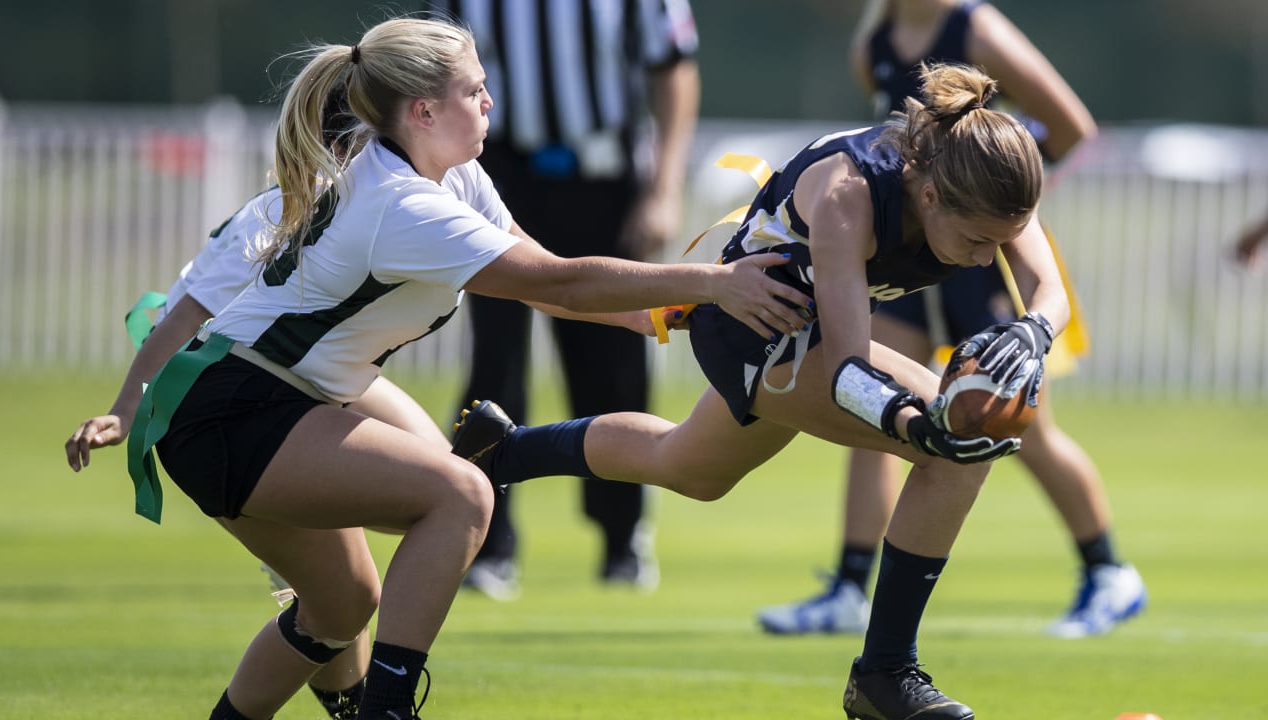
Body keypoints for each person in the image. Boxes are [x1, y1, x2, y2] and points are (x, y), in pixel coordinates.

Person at [119, 17, 810, 720]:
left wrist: (673, 308)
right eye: (475, 90)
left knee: (342, 606)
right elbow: (561, 281)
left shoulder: (450, 176)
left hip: (259, 404)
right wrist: (714, 283)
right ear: (423, 111)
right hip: (234, 410)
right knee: (460, 496)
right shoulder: (403, 204)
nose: (489, 103)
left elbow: (558, 284)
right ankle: (388, 710)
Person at [453, 61, 1068, 720]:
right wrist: (913, 425)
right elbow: (849, 371)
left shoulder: (987, 169)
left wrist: (1033, 331)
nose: (985, 259)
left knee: (688, 467)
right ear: (928, 198)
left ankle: (504, 451)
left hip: (809, 337)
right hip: (752, 325)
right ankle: (885, 673)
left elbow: (1050, 292)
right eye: (977, 242)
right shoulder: (848, 197)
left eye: (996, 242)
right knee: (952, 448)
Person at [756, 0, 1146, 641]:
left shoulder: (975, 27)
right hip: (913, 246)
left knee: (1013, 421)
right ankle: (852, 585)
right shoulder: (874, 41)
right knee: (875, 399)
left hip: (975, 243)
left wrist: (989, 193)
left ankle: (1108, 571)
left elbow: (1071, 126)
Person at [64, 87, 440, 720]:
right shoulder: (290, 208)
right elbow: (182, 317)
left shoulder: (373, 196)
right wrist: (127, 410)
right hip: (227, 394)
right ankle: (352, 702)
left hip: (300, 383)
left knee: (427, 490)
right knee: (347, 592)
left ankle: (349, 692)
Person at [426, 0, 701, 597]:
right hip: (497, 172)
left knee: (613, 359)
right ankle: (486, 540)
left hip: (603, 176)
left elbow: (674, 67)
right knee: (494, 364)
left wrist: (665, 188)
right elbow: (430, 67)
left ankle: (622, 536)